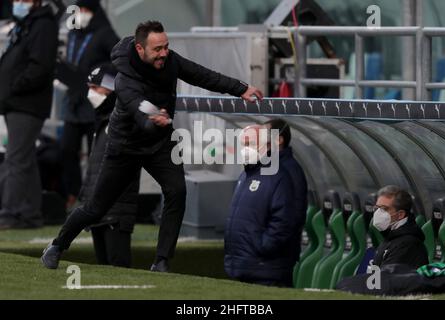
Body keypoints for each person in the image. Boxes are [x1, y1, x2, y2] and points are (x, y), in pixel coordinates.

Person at [41, 20, 263, 271]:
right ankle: (58, 246)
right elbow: (138, 109)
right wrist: (153, 118)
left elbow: (203, 75)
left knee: (177, 191)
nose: (163, 54)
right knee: (95, 208)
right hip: (125, 145)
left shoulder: (171, 61)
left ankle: (162, 261)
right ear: (139, 49)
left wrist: (241, 88)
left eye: (166, 47)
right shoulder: (123, 78)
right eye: (157, 49)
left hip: (160, 142)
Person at [0, 0, 58, 229]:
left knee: (15, 160)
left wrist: (14, 87)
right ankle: (30, 213)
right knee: (25, 159)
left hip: (26, 103)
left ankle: (9, 214)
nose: (17, 3)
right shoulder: (27, 24)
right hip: (18, 103)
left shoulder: (42, 25)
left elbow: (40, 66)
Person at [57, 0, 119, 210]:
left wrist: (102, 77)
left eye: (85, 10)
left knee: (96, 152)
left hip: (94, 103)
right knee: (67, 149)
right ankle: (73, 192)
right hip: (73, 101)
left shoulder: (104, 32)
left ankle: (93, 197)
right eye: (79, 10)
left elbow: (120, 60)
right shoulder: (75, 33)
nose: (81, 14)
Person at [224, 124, 304, 287]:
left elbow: (284, 221)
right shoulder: (245, 174)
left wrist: (263, 247)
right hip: (245, 266)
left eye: (251, 144)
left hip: (265, 269)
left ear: (267, 145)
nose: (245, 149)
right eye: (244, 144)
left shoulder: (278, 176)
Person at [79, 65, 140, 268]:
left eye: (96, 88)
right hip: (98, 211)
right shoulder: (102, 121)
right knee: (104, 269)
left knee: (118, 268)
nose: (91, 93)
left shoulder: (124, 120)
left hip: (116, 212)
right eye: (89, 87)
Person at [372, 185, 428, 269]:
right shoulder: (391, 236)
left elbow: (387, 279)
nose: (378, 212)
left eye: (384, 209)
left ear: (400, 214)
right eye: (377, 208)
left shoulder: (408, 244)